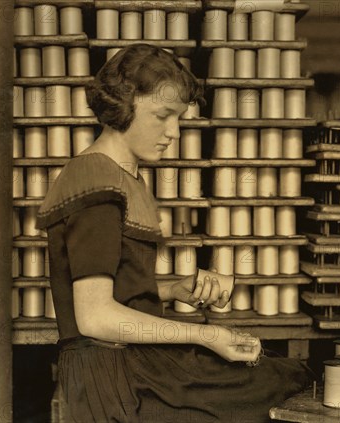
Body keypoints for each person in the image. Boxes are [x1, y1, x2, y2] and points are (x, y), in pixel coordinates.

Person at [37, 43, 313, 423]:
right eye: (163, 116)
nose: (175, 132)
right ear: (123, 105)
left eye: (179, 118)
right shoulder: (96, 182)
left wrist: (171, 289)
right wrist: (202, 335)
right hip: (114, 378)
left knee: (284, 376)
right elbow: (94, 316)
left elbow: (113, 288)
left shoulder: (122, 177)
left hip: (130, 362)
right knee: (283, 385)